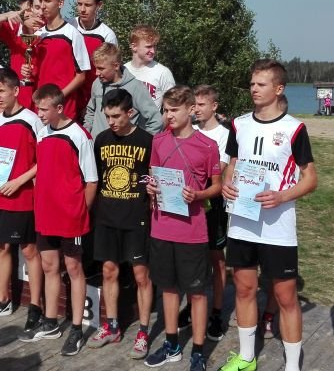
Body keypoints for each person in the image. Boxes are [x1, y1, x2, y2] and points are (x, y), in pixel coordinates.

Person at [219, 59, 317, 371]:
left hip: (277, 228)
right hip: (242, 223)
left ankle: (292, 366)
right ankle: (247, 358)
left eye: (261, 84)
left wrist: (282, 196)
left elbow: (311, 179)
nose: (254, 89)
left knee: (285, 296)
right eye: (252, 84)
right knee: (244, 289)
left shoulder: (294, 128)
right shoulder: (239, 124)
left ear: (278, 88)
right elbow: (232, 164)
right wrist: (226, 184)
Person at [143, 85, 222, 371]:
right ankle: (172, 344)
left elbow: (217, 186)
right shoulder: (158, 141)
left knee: (197, 292)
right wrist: (151, 187)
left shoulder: (208, 145)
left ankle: (198, 351)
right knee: (168, 288)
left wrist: (198, 195)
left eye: (174, 110)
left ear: (191, 109)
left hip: (192, 231)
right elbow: (151, 175)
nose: (168, 115)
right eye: (165, 110)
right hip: (161, 227)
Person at [18, 84, 98, 358]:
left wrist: (80, 213)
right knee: (49, 266)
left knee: (74, 268)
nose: (39, 114)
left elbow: (91, 181)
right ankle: (51, 322)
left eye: (43, 109)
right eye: (37, 108)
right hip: (46, 213)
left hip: (71, 216)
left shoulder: (79, 135)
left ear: (59, 108)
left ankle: (76, 328)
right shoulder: (42, 133)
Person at [85, 89, 154, 359]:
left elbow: (153, 177)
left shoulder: (147, 141)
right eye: (108, 116)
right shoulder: (101, 140)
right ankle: (112, 326)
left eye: (116, 116)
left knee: (141, 276)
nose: (111, 121)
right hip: (107, 216)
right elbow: (95, 177)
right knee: (109, 271)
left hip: (136, 217)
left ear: (130, 113)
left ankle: (144, 331)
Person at [0, 69, 44, 330]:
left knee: (29, 251)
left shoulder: (32, 120)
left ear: (16, 91)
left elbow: (43, 160)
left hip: (23, 196)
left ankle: (35, 306)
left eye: (1, 90)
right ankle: (2, 300)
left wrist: (19, 181)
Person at [175, 84, 230, 342]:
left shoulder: (224, 135)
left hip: (212, 203)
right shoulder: (190, 131)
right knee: (192, 258)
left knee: (216, 258)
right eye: (194, 105)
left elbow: (216, 169)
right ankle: (191, 306)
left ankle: (216, 311)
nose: (196, 109)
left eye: (201, 104)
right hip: (188, 202)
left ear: (214, 106)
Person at [23, 0, 91, 120]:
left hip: (64, 108)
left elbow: (81, 76)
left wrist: (59, 96)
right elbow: (35, 69)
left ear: (60, 3)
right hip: (40, 107)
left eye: (47, 1)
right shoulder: (38, 35)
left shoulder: (73, 34)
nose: (43, 6)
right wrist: (26, 71)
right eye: (41, 1)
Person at [83, 42, 162, 137]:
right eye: (96, 68)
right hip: (97, 144)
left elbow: (156, 120)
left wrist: (143, 142)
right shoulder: (97, 83)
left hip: (125, 145)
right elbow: (91, 111)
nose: (97, 73)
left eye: (101, 68)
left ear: (116, 66)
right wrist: (87, 134)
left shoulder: (135, 87)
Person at [69, 0, 118, 117]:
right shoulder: (68, 27)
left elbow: (111, 75)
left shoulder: (107, 35)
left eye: (88, 5)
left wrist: (93, 105)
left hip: (93, 102)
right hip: (68, 98)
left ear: (99, 5)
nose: (82, 9)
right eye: (79, 4)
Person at [0, 0, 40, 109]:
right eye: (22, 11)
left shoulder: (46, 28)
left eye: (29, 9)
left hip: (41, 91)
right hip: (20, 92)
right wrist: (7, 15)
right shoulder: (15, 28)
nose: (26, 14)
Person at [123, 25, 175, 110]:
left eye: (154, 46)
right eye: (148, 47)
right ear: (134, 47)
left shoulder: (163, 72)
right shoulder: (122, 70)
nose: (153, 51)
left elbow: (173, 106)